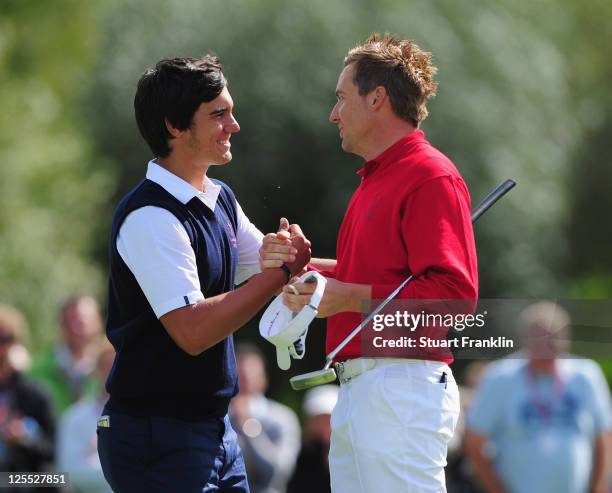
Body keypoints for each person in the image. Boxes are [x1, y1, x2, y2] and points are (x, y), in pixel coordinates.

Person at [260, 33, 478, 492]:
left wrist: (348, 298)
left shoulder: (430, 174)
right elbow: (371, 281)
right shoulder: (375, 180)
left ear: (376, 98)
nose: (333, 113)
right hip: (367, 391)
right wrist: (306, 271)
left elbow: (454, 299)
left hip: (402, 388)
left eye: (341, 98)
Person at [97, 55, 311, 493]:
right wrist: (282, 271)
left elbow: (278, 265)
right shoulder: (151, 217)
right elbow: (192, 330)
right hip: (156, 438)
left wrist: (375, 277)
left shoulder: (220, 198)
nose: (234, 125)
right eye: (219, 114)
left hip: (212, 431)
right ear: (175, 126)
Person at [465, 302, 611, 493]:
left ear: (567, 338)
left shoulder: (586, 375)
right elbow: (474, 441)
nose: (548, 345)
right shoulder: (500, 377)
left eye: (554, 337)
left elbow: (604, 437)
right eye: (539, 338)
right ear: (524, 339)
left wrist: (598, 487)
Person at [229, 343, 300, 493]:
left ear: (264, 379)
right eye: (238, 376)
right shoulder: (221, 418)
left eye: (249, 377)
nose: (243, 382)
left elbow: (278, 471)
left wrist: (248, 425)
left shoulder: (282, 417)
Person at [0, 304, 56, 491]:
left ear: (16, 343)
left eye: (4, 339)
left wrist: (24, 437)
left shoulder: (35, 394)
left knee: (57, 481)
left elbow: (52, 450)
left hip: (21, 479)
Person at [56, 341, 115, 493]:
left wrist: (94, 457)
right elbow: (70, 473)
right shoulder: (74, 418)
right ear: (96, 371)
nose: (113, 372)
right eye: (106, 365)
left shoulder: (146, 416)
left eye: (117, 364)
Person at [29, 296, 102, 413]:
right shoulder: (38, 369)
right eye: (71, 320)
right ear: (61, 325)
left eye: (83, 320)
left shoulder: (111, 364)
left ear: (98, 322)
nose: (77, 327)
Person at [287, 385, 339, 493]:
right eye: (318, 418)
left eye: (328, 417)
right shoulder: (303, 457)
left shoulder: (352, 453)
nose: (322, 423)